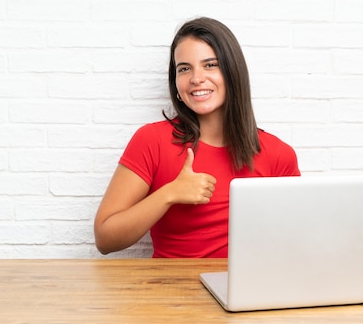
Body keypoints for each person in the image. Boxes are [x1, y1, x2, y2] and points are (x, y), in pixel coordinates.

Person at [94, 17, 300, 258]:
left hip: (249, 290)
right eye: (184, 68)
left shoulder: (278, 154)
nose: (196, 78)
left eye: (210, 65)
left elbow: (297, 242)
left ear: (232, 73)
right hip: (173, 290)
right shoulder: (152, 140)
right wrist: (170, 193)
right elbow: (105, 239)